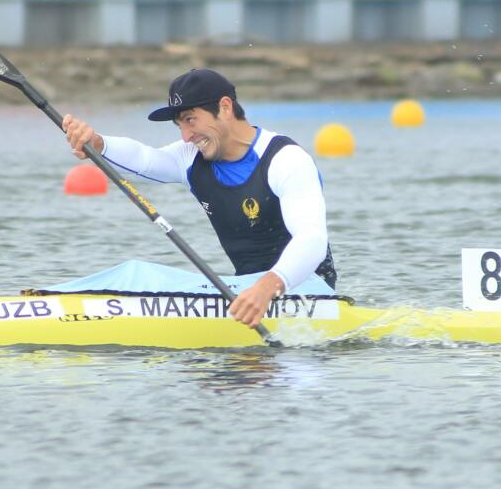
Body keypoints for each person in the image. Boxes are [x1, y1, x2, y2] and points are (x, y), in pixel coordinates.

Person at [61, 68, 336, 328]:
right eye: (179, 125)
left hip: (306, 296)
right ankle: (61, 301)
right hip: (245, 294)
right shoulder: (191, 158)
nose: (186, 136)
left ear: (225, 107)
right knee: (138, 273)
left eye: (190, 120)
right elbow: (145, 158)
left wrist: (266, 288)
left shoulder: (286, 160)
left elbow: (312, 239)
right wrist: (98, 144)